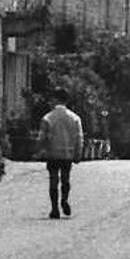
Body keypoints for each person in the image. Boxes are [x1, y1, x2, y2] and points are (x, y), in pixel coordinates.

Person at [38, 89, 84, 219]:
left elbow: (42, 137)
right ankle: (64, 200)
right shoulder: (75, 118)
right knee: (65, 179)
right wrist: (78, 153)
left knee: (53, 180)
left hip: (52, 153)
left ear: (55, 100)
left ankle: (54, 209)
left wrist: (41, 150)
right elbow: (79, 137)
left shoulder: (48, 118)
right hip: (67, 154)